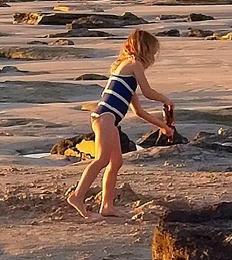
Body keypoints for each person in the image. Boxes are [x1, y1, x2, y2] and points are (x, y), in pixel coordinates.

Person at [67, 29, 173, 220]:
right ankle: (77, 196)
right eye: (153, 53)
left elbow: (139, 111)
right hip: (105, 117)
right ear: (144, 49)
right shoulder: (134, 63)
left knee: (116, 162)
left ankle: (107, 206)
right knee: (101, 159)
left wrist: (162, 126)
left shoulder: (127, 76)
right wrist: (166, 100)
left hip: (109, 119)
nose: (153, 58)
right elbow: (148, 92)